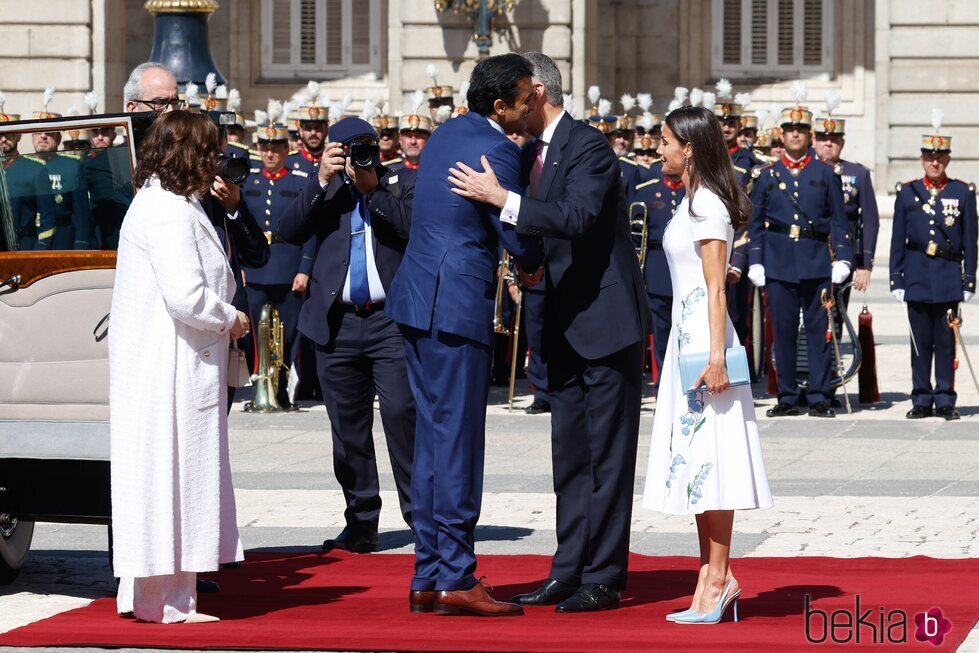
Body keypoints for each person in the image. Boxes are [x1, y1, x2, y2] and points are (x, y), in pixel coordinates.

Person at [449, 52, 649, 613]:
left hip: (605, 320)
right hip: (557, 319)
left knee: (607, 455)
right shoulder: (525, 151)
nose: (507, 115)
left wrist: (502, 199)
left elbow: (577, 216)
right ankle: (568, 569)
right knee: (568, 453)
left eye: (513, 100)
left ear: (535, 92)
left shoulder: (586, 144)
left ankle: (605, 574)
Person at [386, 53, 543, 617]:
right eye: (527, 98)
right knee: (456, 442)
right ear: (500, 105)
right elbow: (517, 233)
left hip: (418, 300)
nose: (534, 106)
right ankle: (456, 573)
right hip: (453, 305)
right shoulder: (498, 148)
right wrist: (535, 264)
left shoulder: (447, 133)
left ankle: (427, 571)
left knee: (432, 438)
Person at [109, 111, 250, 624]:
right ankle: (161, 603)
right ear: (188, 155)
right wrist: (231, 317)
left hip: (177, 361)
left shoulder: (172, 203)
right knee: (169, 476)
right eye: (209, 150)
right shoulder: (166, 210)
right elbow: (187, 297)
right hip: (168, 368)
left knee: (171, 477)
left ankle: (159, 595)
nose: (216, 160)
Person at [642, 105, 773, 625]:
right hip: (688, 337)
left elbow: (718, 287)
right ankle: (709, 574)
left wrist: (717, 358)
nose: (659, 149)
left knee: (713, 460)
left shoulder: (710, 204)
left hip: (706, 343)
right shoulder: (692, 199)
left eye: (666, 141)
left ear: (690, 147)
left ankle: (718, 577)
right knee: (698, 464)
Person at [278, 117, 417, 553]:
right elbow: (288, 230)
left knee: (403, 417)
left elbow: (412, 229)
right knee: (348, 430)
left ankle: (423, 519)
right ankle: (360, 521)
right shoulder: (326, 189)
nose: (355, 157)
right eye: (347, 149)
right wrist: (321, 179)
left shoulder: (400, 182)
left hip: (389, 320)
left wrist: (372, 186)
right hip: (337, 323)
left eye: (364, 147)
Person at [747, 95, 852, 418]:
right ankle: (788, 394)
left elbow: (839, 220)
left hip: (816, 260)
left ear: (810, 136)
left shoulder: (825, 173)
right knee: (783, 330)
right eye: (790, 129)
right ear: (781, 134)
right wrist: (755, 260)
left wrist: (843, 258)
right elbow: (756, 222)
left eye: (801, 130)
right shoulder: (766, 175)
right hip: (778, 262)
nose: (795, 134)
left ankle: (820, 394)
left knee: (819, 332)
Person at [890, 122, 977, 420]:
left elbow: (970, 240)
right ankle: (921, 399)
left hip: (948, 275)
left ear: (948, 159)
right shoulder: (907, 192)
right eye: (929, 156)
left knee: (945, 342)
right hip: (916, 274)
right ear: (922, 158)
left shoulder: (962, 193)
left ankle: (944, 399)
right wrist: (896, 278)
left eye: (940, 157)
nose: (934, 162)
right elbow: (897, 239)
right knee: (919, 342)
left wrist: (969, 279)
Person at [240, 114, 315, 410]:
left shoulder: (300, 181)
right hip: (256, 268)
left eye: (276, 146)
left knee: (288, 332)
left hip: (288, 265)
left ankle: (281, 387)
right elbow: (241, 227)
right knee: (256, 335)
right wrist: (242, 268)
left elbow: (309, 228)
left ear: (286, 148)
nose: (270, 152)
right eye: (265, 146)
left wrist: (304, 268)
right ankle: (260, 384)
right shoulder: (248, 181)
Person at [633, 158, 685, 378]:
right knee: (661, 330)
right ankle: (664, 379)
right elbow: (635, 235)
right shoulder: (646, 192)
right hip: (657, 266)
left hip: (686, 267)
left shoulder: (696, 190)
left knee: (687, 329)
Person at [0, 110, 52, 250]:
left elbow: (47, 216)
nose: (3, 139)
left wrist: (40, 248)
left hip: (24, 245)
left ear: (19, 136)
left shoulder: (34, 168)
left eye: (9, 134)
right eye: (0, 135)